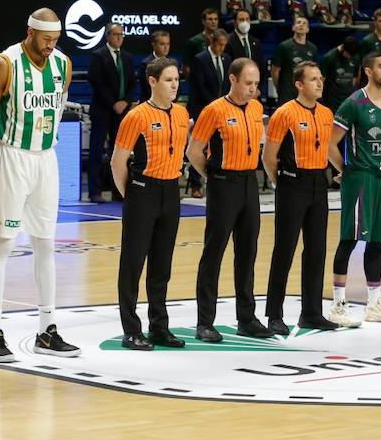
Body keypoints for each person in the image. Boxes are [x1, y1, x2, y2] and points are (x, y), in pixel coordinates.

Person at [0, 8, 79, 362]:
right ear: (30, 32)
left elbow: (57, 108)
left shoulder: (63, 65)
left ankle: (47, 330)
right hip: (12, 154)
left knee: (46, 242)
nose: (51, 45)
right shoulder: (5, 63)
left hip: (45, 157)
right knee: (4, 242)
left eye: (56, 39)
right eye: (46, 39)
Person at [186, 57, 269, 341]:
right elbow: (194, 150)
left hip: (249, 184)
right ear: (232, 79)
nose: (253, 89)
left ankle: (246, 318)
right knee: (214, 253)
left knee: (247, 253)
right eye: (248, 83)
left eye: (256, 84)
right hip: (224, 184)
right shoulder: (214, 110)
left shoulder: (257, 108)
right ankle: (204, 322)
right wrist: (211, 175)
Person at [111, 57, 189, 349]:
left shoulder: (182, 114)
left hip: (171, 192)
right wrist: (131, 194)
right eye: (168, 80)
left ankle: (159, 327)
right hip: (142, 192)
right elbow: (118, 162)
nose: (174, 85)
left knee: (162, 265)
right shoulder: (136, 116)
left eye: (177, 79)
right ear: (152, 81)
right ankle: (131, 329)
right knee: (132, 264)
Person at [326, 52, 381, 327]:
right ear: (368, 71)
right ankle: (338, 304)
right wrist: (345, 170)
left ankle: (374, 304)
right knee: (349, 239)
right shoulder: (353, 103)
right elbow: (330, 144)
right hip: (360, 180)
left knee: (378, 241)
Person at [262, 61, 337, 332]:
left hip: (319, 184)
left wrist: (345, 171)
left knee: (316, 251)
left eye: (321, 78)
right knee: (285, 250)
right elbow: (269, 157)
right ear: (299, 84)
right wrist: (282, 183)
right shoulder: (285, 113)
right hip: (292, 185)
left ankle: (312, 312)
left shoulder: (327, 113)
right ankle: (274, 314)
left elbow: (329, 148)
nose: (319, 83)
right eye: (313, 79)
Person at [87, 23, 132, 202]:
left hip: (121, 112)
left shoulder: (127, 57)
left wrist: (125, 101)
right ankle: (95, 192)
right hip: (102, 110)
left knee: (119, 152)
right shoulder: (98, 56)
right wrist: (113, 103)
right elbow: (97, 83)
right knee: (96, 151)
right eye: (116, 34)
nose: (119, 38)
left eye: (121, 35)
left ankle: (117, 190)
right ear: (107, 36)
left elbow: (132, 83)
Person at [187, 29, 230, 198]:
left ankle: (218, 178)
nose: (222, 48)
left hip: (222, 110)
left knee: (219, 145)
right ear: (212, 42)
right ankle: (195, 184)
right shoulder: (200, 59)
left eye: (224, 46)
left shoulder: (226, 59)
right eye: (220, 45)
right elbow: (199, 86)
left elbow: (227, 84)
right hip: (203, 109)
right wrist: (215, 104)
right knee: (199, 147)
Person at [271, 15, 317, 105]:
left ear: (307, 29)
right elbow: (275, 71)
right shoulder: (284, 46)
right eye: (298, 22)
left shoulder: (313, 48)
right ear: (293, 28)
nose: (301, 25)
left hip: (305, 94)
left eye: (304, 23)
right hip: (287, 95)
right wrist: (280, 88)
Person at [354, 7, 381, 82]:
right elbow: (360, 65)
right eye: (380, 21)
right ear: (375, 22)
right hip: (370, 83)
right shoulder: (367, 41)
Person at [319, 35, 360, 111]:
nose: (350, 57)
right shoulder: (329, 58)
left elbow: (355, 78)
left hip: (348, 100)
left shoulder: (355, 57)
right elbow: (322, 80)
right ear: (342, 48)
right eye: (348, 55)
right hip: (332, 101)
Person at [138, 30, 172, 101]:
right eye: (162, 44)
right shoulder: (145, 64)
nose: (166, 47)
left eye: (168, 44)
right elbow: (147, 89)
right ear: (154, 45)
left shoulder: (173, 63)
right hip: (150, 104)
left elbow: (177, 87)